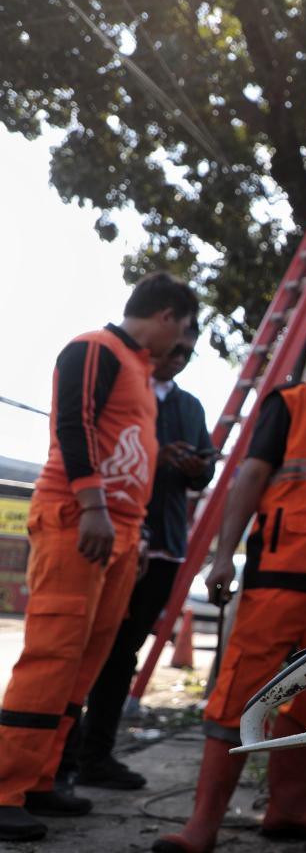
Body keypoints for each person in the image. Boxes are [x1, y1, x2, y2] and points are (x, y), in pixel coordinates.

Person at [153, 308, 306, 853]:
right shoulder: (291, 404)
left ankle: (291, 809)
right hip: (278, 581)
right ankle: (202, 825)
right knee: (237, 697)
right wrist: (222, 557)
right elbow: (251, 477)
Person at [0, 272, 198, 843]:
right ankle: (5, 787)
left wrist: (133, 536)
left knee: (85, 662)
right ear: (167, 316)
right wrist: (92, 504)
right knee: (53, 654)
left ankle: (42, 780)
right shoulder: (95, 348)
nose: (180, 344)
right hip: (77, 520)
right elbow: (73, 424)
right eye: (183, 329)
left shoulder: (139, 369)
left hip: (120, 534)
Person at [59, 323, 214, 791]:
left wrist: (196, 466)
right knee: (80, 647)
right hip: (109, 532)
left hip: (163, 544)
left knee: (123, 651)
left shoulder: (190, 406)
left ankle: (95, 756)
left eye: (188, 353)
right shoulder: (124, 384)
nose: (178, 358)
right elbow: (85, 439)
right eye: (175, 347)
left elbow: (203, 475)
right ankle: (58, 759)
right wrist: (154, 457)